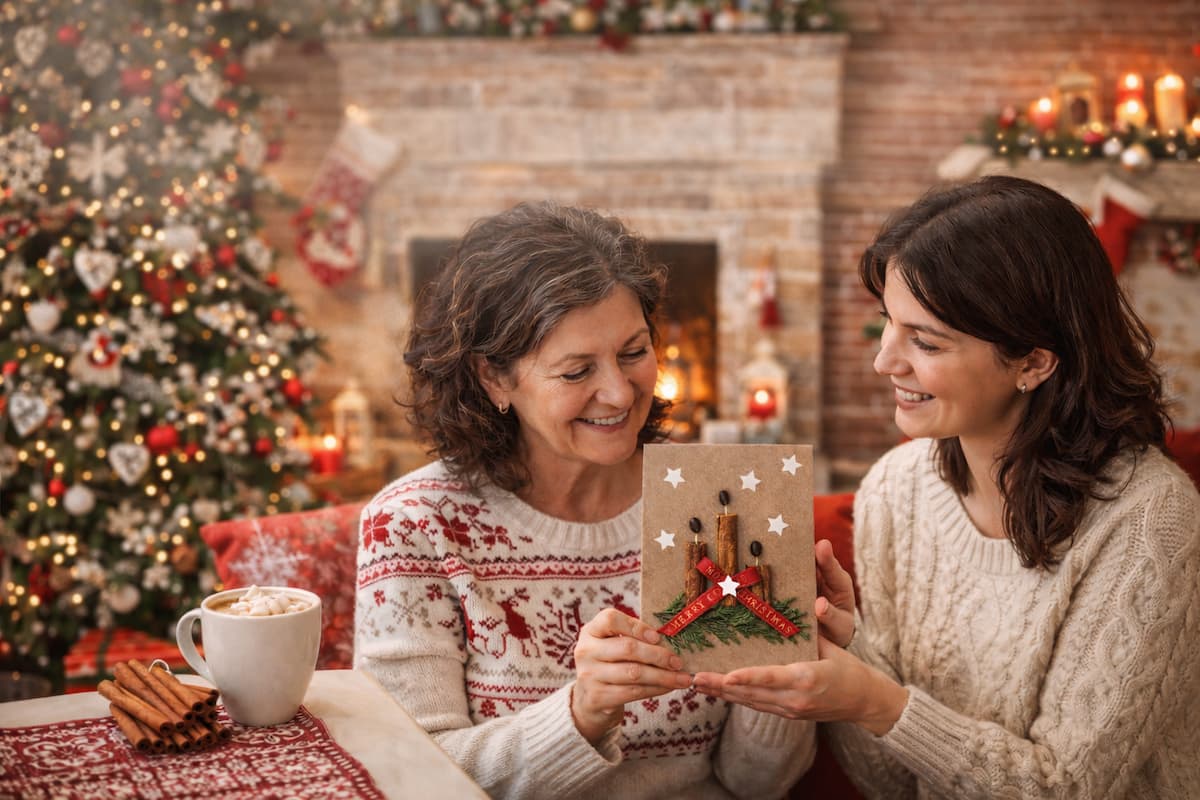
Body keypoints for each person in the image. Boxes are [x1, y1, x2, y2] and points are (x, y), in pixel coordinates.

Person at [693, 175, 1200, 798]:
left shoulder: (1150, 520)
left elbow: (1068, 789)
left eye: (925, 341)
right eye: (889, 323)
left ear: (1034, 363)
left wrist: (877, 700)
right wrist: (853, 649)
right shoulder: (895, 490)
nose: (885, 361)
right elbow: (888, 784)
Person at [354, 201, 814, 799]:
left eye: (633, 352)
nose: (620, 393)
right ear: (494, 377)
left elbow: (758, 783)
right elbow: (410, 778)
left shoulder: (720, 499)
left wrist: (789, 662)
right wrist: (582, 713)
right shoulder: (413, 526)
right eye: (577, 372)